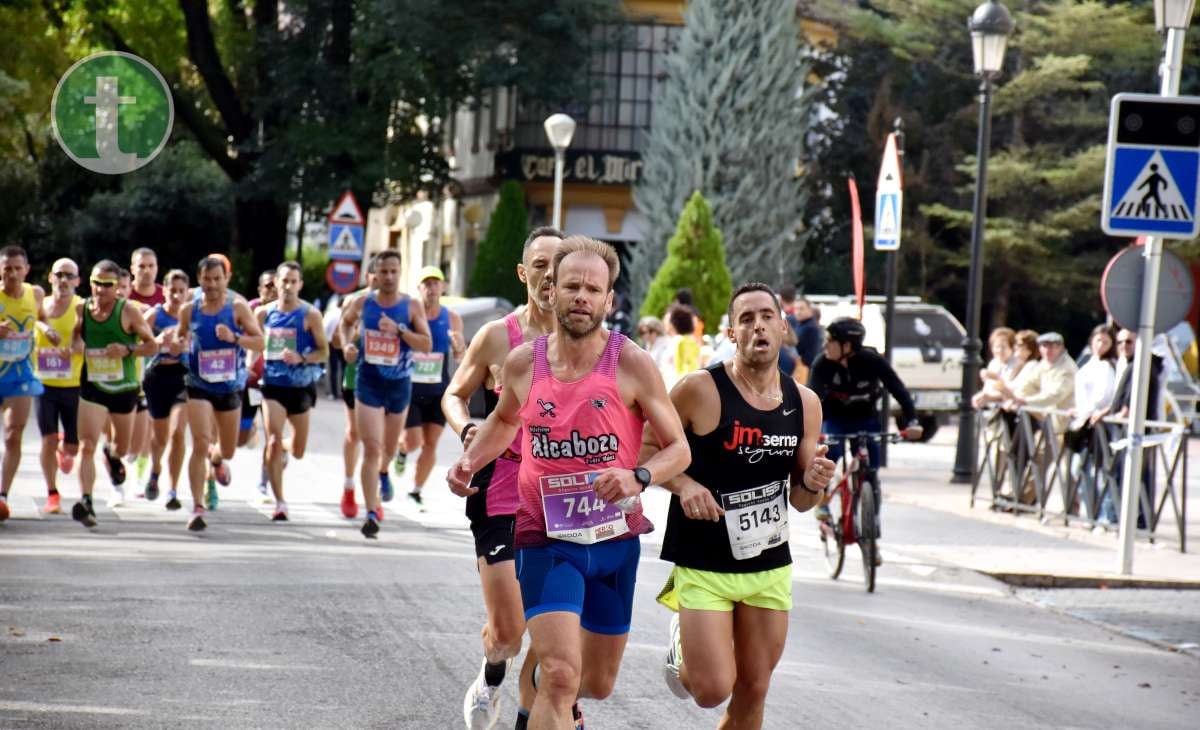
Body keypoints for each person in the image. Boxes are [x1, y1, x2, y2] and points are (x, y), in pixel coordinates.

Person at [448, 236, 691, 730]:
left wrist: (637, 475)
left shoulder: (632, 363)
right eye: (572, 285)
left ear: (608, 300)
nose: (581, 295)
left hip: (613, 540)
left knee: (594, 682)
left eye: (592, 288)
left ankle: (555, 708)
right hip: (544, 538)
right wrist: (469, 461)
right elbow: (502, 423)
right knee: (558, 674)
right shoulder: (522, 363)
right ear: (550, 291)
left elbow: (679, 448)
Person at [647, 282, 833, 729]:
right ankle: (682, 645)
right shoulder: (699, 390)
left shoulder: (804, 403)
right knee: (712, 690)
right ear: (731, 333)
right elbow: (643, 452)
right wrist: (686, 485)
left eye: (767, 316)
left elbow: (804, 501)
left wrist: (814, 482)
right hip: (705, 561)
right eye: (746, 319)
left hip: (768, 563)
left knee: (754, 690)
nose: (758, 326)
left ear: (783, 326)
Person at [441, 226, 562, 729]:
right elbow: (453, 393)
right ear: (523, 273)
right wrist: (468, 429)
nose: (551, 278)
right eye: (540, 266)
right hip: (501, 484)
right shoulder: (497, 337)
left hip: (562, 493)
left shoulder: (591, 343)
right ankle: (493, 673)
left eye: (561, 268)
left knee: (553, 626)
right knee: (511, 632)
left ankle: (526, 718)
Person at [338, 249, 432, 538]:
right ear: (375, 274)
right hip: (369, 382)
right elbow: (344, 324)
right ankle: (370, 511)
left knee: (389, 450)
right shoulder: (362, 302)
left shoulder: (411, 306)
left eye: (394, 271)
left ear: (399, 273)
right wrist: (347, 346)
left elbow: (426, 344)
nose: (389, 277)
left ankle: (383, 472)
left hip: (399, 385)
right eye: (384, 272)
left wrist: (399, 330)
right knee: (371, 448)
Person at [808, 317, 921, 552]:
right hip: (835, 419)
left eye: (830, 340)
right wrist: (806, 430)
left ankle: (871, 529)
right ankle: (823, 500)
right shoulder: (822, 364)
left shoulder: (872, 361)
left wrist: (912, 421)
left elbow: (897, 388)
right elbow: (811, 400)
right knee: (832, 453)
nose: (825, 345)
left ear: (847, 346)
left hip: (865, 419)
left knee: (871, 469)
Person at [177, 256, 265, 531]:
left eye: (217, 279)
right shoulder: (189, 310)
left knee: (227, 449)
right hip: (198, 382)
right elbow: (180, 337)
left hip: (229, 386)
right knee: (200, 441)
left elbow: (261, 341)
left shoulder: (237, 308)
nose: (212, 284)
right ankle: (196, 506)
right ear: (199, 279)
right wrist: (178, 344)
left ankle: (217, 462)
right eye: (207, 279)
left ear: (226, 279)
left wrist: (235, 338)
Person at [70, 260, 158, 527]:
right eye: (96, 283)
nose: (100, 289)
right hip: (93, 385)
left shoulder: (128, 311)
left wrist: (127, 350)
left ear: (116, 287)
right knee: (86, 445)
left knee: (123, 447)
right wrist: (77, 345)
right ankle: (87, 501)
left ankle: (112, 453)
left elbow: (152, 346)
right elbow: (76, 335)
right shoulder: (82, 308)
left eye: (106, 285)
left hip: (124, 388)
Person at [255, 261, 328, 522]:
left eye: (293, 281)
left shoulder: (310, 315)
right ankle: (280, 502)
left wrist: (302, 357)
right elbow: (253, 346)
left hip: (300, 386)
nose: (287, 286)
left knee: (297, 450)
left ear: (300, 285)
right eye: (283, 281)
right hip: (272, 385)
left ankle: (286, 449)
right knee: (272, 441)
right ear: (275, 283)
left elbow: (324, 351)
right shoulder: (263, 314)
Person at [395, 266, 464, 509]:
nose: (432, 288)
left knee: (431, 443)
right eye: (427, 283)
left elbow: (460, 356)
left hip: (438, 390)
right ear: (419, 288)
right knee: (413, 440)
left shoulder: (452, 317)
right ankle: (403, 451)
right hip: (411, 389)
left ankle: (415, 491)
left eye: (436, 283)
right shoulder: (410, 315)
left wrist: (458, 346)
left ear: (443, 287)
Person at [1093, 328, 1164, 529]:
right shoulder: (1135, 364)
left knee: (1133, 474)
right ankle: (1137, 519)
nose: (1124, 346)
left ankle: (1132, 519)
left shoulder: (1144, 365)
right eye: (1121, 342)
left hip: (1136, 430)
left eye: (1129, 342)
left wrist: (1119, 415)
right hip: (1132, 428)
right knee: (1134, 474)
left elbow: (1132, 401)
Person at [0, 246, 50, 523]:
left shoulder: (36, 294)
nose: (13, 274)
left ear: (27, 269)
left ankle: (3, 495)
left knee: (13, 434)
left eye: (18, 268)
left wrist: (47, 329)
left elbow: (40, 318)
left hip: (20, 375)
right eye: (7, 268)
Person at [33, 258, 84, 516]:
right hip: (43, 383)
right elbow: (33, 322)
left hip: (73, 384)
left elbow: (83, 341)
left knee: (73, 448)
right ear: (50, 278)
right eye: (59, 275)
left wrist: (73, 350)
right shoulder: (40, 304)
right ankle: (52, 493)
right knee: (47, 439)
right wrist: (43, 327)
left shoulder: (81, 307)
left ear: (77, 281)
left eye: (69, 276)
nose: (63, 280)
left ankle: (66, 444)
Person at [143, 269, 192, 510]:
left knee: (177, 433)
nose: (176, 295)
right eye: (172, 290)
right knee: (160, 436)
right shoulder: (154, 315)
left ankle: (172, 490)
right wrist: (158, 341)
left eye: (181, 291)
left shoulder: (192, 316)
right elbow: (139, 345)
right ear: (164, 290)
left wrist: (186, 344)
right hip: (157, 377)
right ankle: (155, 469)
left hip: (183, 377)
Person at [335, 264, 378, 519]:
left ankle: (372, 495)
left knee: (378, 441)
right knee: (354, 433)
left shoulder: (402, 304)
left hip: (387, 379)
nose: (383, 278)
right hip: (356, 376)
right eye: (377, 273)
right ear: (369, 276)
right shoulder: (355, 301)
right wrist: (350, 342)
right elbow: (337, 338)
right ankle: (349, 487)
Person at [1068, 324, 1117, 519]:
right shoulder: (1089, 363)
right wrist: (1078, 411)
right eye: (1098, 340)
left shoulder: (1108, 366)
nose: (1101, 345)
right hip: (1084, 422)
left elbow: (1103, 396)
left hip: (1098, 424)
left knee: (1099, 472)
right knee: (1079, 468)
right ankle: (1091, 513)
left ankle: (1104, 516)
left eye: (1106, 342)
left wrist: (1084, 412)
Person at [972, 327, 1019, 409]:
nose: (999, 350)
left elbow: (1012, 393)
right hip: (991, 407)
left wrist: (997, 378)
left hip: (1009, 409)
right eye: (996, 347)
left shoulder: (1017, 364)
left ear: (1012, 348)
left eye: (1003, 347)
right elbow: (987, 390)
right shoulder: (994, 363)